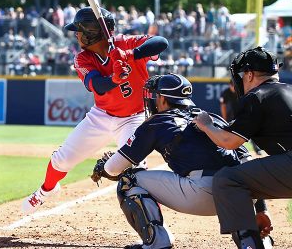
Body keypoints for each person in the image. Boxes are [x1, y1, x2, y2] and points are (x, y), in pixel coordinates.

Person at [91, 73, 272, 249]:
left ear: (162, 99)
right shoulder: (213, 118)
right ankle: (254, 241)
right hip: (236, 193)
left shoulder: (157, 122)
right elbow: (247, 163)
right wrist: (261, 208)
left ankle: (157, 242)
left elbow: (114, 168)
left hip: (199, 193)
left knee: (129, 180)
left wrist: (105, 168)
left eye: (155, 96)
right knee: (240, 186)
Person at [21, 7, 169, 214]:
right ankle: (46, 191)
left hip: (134, 118)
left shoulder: (124, 43)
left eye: (79, 30)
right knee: (61, 159)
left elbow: (161, 42)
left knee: (136, 172)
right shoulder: (82, 58)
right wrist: (115, 79)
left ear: (91, 32)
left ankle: (154, 221)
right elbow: (97, 85)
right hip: (101, 116)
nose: (76, 34)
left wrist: (130, 55)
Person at [193, 46, 291, 249]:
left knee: (227, 179)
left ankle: (251, 245)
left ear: (249, 74)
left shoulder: (257, 96)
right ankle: (259, 217)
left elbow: (229, 142)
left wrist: (206, 124)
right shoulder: (288, 90)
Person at [220, 80, 263, 155]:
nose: (234, 88)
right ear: (230, 85)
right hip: (232, 117)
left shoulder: (242, 91)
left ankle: (257, 149)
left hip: (243, 116)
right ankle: (233, 152)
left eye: (235, 86)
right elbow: (223, 106)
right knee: (231, 136)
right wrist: (224, 118)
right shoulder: (226, 92)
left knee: (252, 132)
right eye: (233, 86)